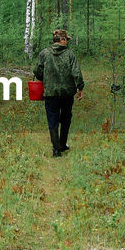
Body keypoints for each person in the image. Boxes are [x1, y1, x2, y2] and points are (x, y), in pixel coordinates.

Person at [33, 28, 84, 157]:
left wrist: (45, 78)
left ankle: (56, 150)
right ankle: (62, 145)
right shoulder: (70, 54)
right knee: (66, 119)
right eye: (66, 39)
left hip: (50, 93)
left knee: (52, 120)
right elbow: (76, 72)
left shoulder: (44, 53)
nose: (67, 42)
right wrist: (80, 88)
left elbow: (38, 72)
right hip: (67, 93)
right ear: (62, 40)